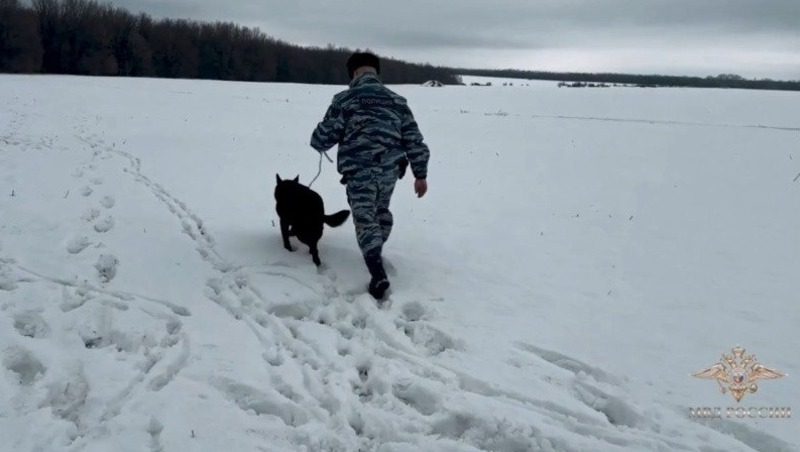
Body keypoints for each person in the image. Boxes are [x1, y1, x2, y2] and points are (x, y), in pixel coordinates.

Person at [310, 51, 430, 300]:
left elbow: (323, 138)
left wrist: (318, 138)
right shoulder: (398, 102)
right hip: (389, 172)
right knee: (380, 213)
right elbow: (414, 140)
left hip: (359, 171)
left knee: (365, 219)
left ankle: (377, 272)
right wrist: (420, 174)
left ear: (353, 73)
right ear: (376, 72)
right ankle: (375, 250)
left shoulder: (345, 100)